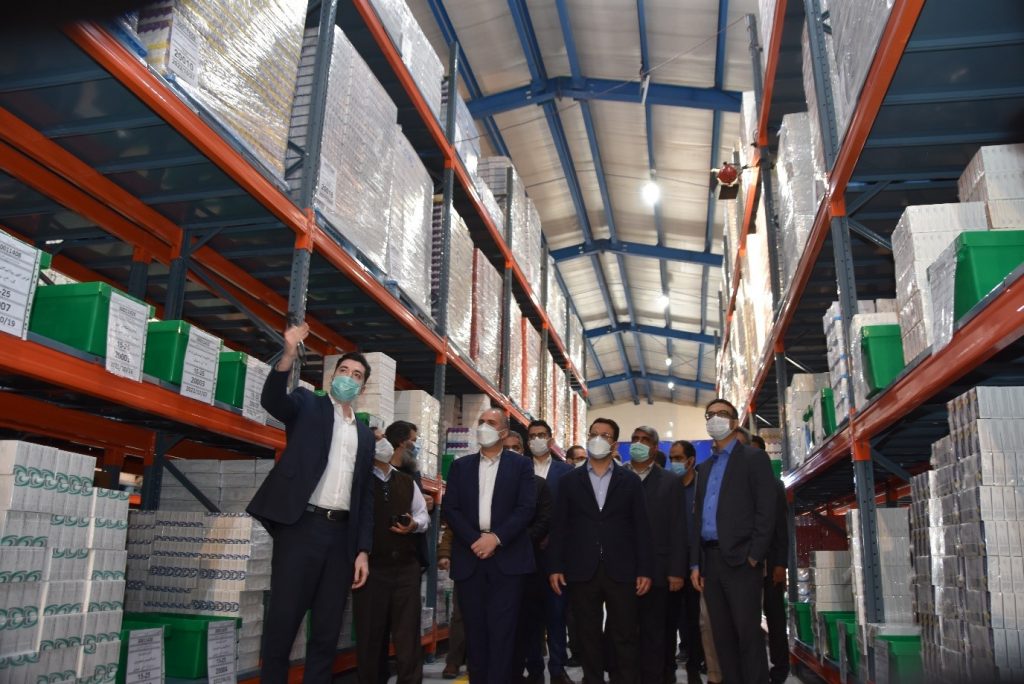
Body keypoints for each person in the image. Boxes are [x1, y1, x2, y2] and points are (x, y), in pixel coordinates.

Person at [247, 323, 375, 684]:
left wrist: (363, 550)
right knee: (283, 622)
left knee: (327, 631)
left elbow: (365, 495)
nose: (348, 378)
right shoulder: (308, 405)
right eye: (344, 371)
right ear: (333, 376)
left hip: (342, 539)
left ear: (363, 388)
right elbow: (273, 402)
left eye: (357, 375)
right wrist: (288, 354)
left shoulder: (365, 436)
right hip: (301, 528)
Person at [549, 418, 654, 684]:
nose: (597, 439)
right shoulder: (569, 481)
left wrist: (644, 569)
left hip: (622, 569)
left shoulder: (630, 481)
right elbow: (559, 527)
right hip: (582, 569)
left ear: (614, 444)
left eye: (604, 435)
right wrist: (556, 566)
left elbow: (642, 528)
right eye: (593, 433)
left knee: (625, 634)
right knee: (587, 634)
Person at [443, 408, 537, 683]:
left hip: (507, 559)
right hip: (470, 557)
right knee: (475, 632)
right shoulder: (461, 466)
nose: (483, 426)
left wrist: (495, 538)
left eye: (491, 422)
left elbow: (525, 508)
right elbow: (451, 508)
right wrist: (476, 539)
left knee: (503, 632)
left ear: (504, 432)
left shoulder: (521, 466)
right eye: (481, 421)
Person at [690, 399, 777, 684]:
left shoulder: (754, 459)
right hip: (711, 562)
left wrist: (755, 555)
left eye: (722, 414)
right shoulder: (704, 468)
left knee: (748, 635)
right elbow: (698, 517)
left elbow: (767, 510)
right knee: (722, 637)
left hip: (742, 560)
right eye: (710, 414)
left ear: (735, 422)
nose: (715, 419)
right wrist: (696, 563)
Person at [352, 434, 431, 684]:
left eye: (384, 438)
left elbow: (423, 515)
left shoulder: (406, 481)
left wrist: (414, 525)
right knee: (370, 635)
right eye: (376, 439)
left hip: (406, 566)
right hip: (372, 568)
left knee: (408, 635)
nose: (383, 443)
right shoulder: (358, 480)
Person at [626, 426, 687, 684]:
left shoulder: (670, 482)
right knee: (626, 633)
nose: (638, 443)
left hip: (660, 571)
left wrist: (676, 571)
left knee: (656, 633)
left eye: (645, 440)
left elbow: (678, 528)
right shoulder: (619, 476)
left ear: (654, 447)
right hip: (623, 571)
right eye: (635, 439)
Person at [522, 420, 575, 684]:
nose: (537, 440)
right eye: (532, 436)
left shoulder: (566, 472)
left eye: (541, 435)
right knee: (530, 616)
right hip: (526, 553)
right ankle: (534, 670)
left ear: (551, 439)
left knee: (556, 614)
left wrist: (554, 537)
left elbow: (572, 512)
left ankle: (557, 669)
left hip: (556, 556)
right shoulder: (519, 469)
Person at [665, 441, 706, 683]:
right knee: (669, 618)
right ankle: (668, 669)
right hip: (671, 562)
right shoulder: (668, 486)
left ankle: (694, 667)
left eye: (678, 458)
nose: (674, 463)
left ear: (691, 460)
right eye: (671, 458)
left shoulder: (702, 486)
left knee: (695, 619)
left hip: (697, 562)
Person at [437, 525, 466, 680]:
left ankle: (477, 661)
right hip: (465, 564)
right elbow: (451, 530)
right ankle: (454, 661)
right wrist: (444, 554)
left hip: (492, 563)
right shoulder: (462, 509)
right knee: (459, 616)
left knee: (486, 616)